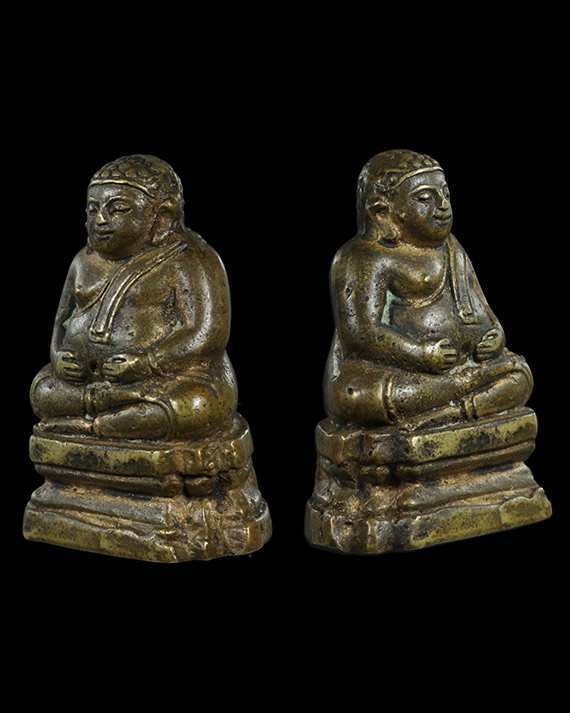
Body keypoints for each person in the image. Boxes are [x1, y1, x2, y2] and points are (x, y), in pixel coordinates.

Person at [30, 155, 238, 441]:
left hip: (162, 383)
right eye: (93, 209)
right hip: (87, 382)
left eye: (117, 209)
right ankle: (103, 415)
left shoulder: (191, 260)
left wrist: (145, 363)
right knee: (42, 390)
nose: (100, 219)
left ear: (161, 217)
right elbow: (60, 322)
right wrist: (57, 358)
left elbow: (208, 335)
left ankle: (91, 425)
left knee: (193, 404)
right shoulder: (83, 261)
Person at [324, 149, 533, 431]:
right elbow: (360, 334)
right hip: (396, 372)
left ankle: (451, 410)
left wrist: (495, 336)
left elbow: (480, 308)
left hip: (456, 365)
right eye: (425, 199)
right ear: (382, 212)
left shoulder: (452, 248)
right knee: (356, 396)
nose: (443, 206)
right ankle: (465, 396)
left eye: (445, 194)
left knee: (520, 373)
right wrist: (419, 353)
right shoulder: (362, 257)